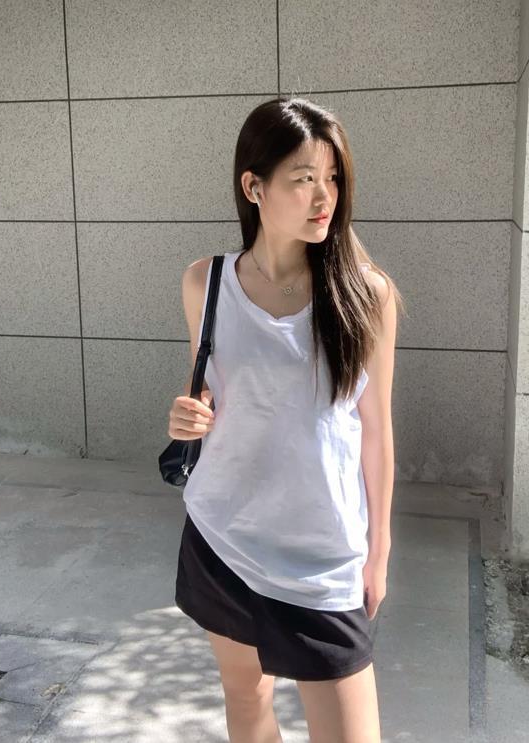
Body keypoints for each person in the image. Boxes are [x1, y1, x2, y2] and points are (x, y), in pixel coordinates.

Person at [168, 96, 404, 743]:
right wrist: (188, 415)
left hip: (322, 556)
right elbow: (211, 394)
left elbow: (376, 431)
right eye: (303, 179)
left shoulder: (367, 294)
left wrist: (378, 552)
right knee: (247, 704)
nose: (324, 197)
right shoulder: (205, 283)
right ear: (254, 187)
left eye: (333, 177)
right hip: (223, 537)